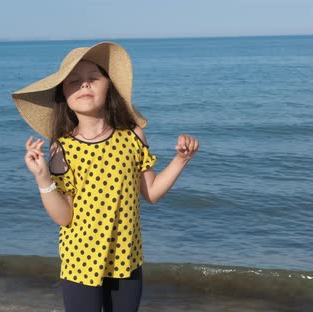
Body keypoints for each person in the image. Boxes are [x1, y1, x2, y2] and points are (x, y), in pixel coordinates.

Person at [11, 42, 199, 312]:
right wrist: (42, 177)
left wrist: (181, 160)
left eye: (92, 79)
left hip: (126, 258)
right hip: (80, 262)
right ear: (63, 96)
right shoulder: (62, 148)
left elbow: (152, 192)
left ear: (108, 86)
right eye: (73, 82)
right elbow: (64, 217)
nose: (84, 85)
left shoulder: (133, 135)